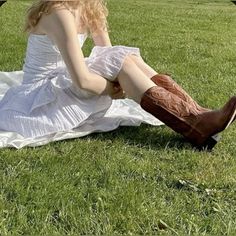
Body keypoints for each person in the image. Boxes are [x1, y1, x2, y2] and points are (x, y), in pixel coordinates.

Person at [0, 0, 235, 150]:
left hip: (65, 82)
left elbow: (109, 53)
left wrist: (120, 77)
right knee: (122, 62)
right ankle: (196, 123)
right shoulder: (58, 12)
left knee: (125, 58)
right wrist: (113, 89)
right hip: (42, 99)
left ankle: (197, 114)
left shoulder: (90, 6)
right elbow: (82, 80)